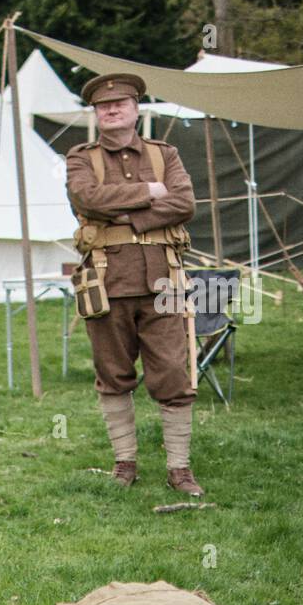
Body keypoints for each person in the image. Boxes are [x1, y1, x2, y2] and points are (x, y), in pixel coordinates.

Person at [65, 73, 204, 496]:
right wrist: (149, 191)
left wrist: (126, 214)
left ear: (136, 110)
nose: (111, 110)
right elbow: (87, 199)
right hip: (106, 281)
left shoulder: (167, 154)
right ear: (95, 114)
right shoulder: (81, 158)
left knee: (173, 376)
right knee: (113, 374)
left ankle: (179, 469)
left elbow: (184, 203)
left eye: (121, 104)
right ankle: (125, 462)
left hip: (164, 281)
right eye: (103, 106)